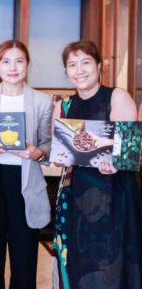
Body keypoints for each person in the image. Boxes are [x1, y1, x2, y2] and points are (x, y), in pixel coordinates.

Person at [51, 40, 142, 288]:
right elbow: (58, 156)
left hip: (113, 196)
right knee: (76, 263)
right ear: (66, 71)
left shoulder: (116, 97)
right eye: (72, 65)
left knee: (110, 265)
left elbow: (128, 150)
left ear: (99, 66)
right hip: (75, 197)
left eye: (86, 62)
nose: (79, 70)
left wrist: (116, 160)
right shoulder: (63, 106)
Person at [0, 40, 52, 289]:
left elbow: (48, 144)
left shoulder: (42, 101)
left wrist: (37, 153)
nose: (12, 67)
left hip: (25, 186)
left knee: (24, 261)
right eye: (6, 61)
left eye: (19, 61)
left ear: (27, 64)